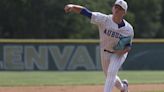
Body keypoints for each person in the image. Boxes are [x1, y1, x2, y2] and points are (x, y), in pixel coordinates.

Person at [64, 0, 134, 92]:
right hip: (105, 51)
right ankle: (123, 87)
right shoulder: (104, 19)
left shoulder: (128, 29)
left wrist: (121, 52)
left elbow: (128, 47)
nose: (117, 10)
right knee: (109, 75)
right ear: (113, 8)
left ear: (124, 12)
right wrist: (73, 6)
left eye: (120, 9)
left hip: (119, 53)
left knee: (111, 72)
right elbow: (86, 12)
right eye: (116, 7)